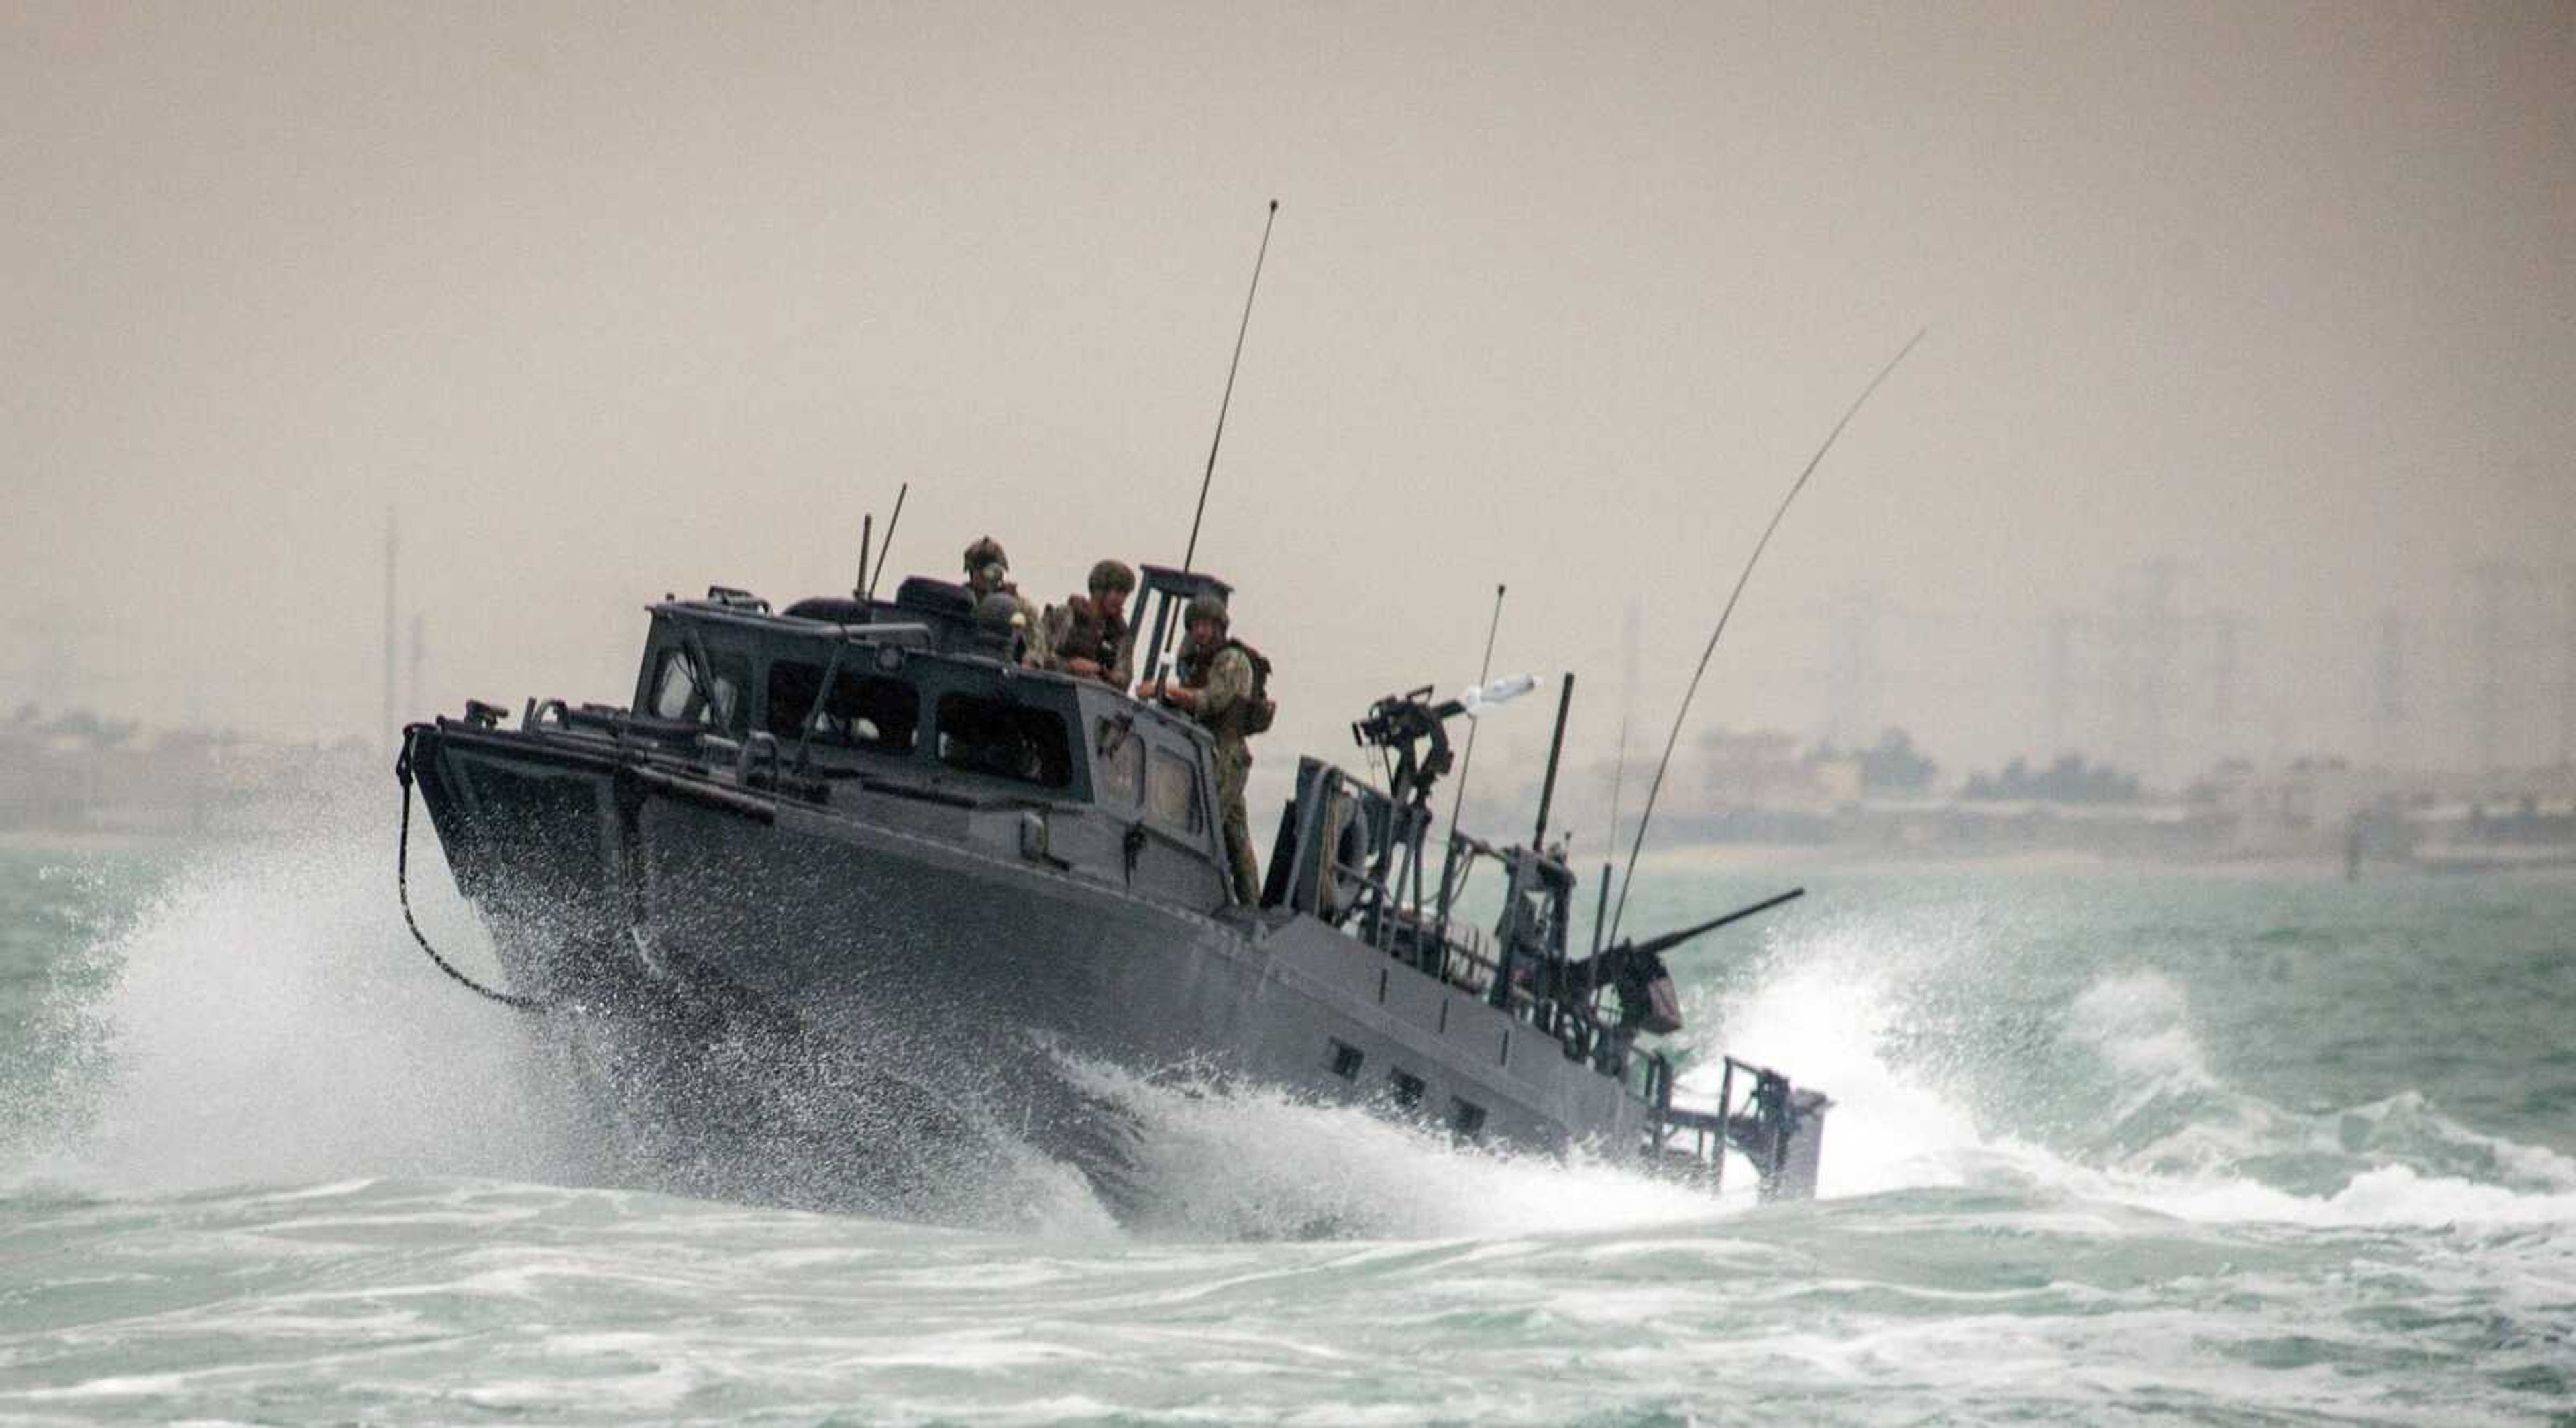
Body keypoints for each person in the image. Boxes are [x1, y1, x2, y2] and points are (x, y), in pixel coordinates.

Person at [1138, 593, 1267, 905]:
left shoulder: (1233, 661)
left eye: (1207, 625)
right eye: (1195, 625)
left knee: (1205, 823)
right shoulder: (1199, 659)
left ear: (1219, 626)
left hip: (1226, 755)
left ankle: (1201, 898)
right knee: (1235, 835)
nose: (1201, 631)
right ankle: (1251, 903)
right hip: (1206, 750)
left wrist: (1167, 690)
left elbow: (1213, 700)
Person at [1040, 559, 1136, 685]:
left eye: (1125, 595)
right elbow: (1037, 653)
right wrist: (1069, 666)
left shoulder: (1120, 635)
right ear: (1100, 590)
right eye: (1117, 592)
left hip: (1094, 696)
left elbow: (1123, 680)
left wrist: (1100, 670)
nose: (1121, 600)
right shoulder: (1067, 616)